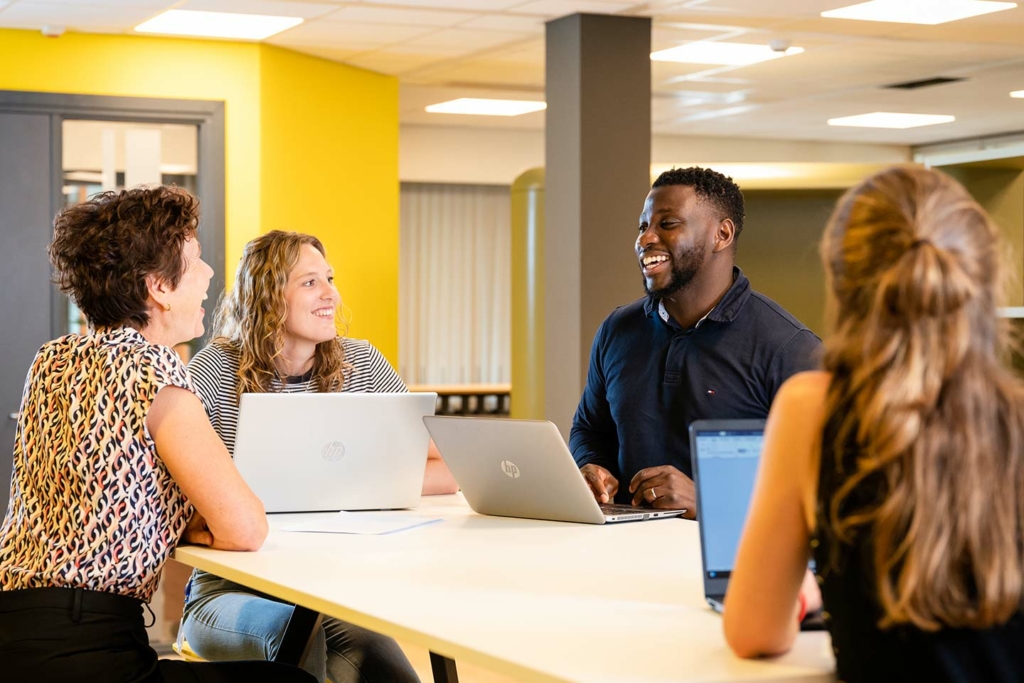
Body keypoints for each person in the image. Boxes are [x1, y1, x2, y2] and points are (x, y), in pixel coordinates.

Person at [0, 187, 314, 682]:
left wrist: (187, 518)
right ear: (158, 288)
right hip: (86, 654)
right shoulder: (154, 367)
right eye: (195, 260)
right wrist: (195, 519)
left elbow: (104, 489)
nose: (211, 274)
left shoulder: (53, 360)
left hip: (16, 636)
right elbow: (245, 527)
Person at [724, 166, 1024, 680]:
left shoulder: (810, 408)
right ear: (984, 276)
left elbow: (754, 632)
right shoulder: (1015, 414)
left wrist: (806, 594)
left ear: (841, 281)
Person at [180, 230, 457, 683]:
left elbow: (447, 470)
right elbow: (179, 500)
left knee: (389, 670)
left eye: (329, 278)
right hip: (226, 593)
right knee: (299, 641)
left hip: (330, 595)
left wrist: (335, 481)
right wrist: (361, 481)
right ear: (268, 295)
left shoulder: (361, 364)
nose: (331, 294)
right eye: (310, 282)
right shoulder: (213, 372)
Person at [570, 167, 821, 517]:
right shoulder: (617, 330)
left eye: (667, 224)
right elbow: (590, 429)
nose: (645, 239)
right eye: (644, 226)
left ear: (722, 234)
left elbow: (825, 483)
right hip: (622, 554)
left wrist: (707, 499)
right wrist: (591, 468)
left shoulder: (790, 348)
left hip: (730, 562)